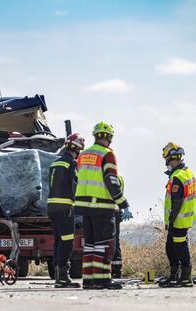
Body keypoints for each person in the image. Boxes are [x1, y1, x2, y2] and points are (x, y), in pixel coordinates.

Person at [74, 121, 130, 290]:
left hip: (84, 208)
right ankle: (103, 280)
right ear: (110, 138)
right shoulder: (107, 154)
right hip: (102, 207)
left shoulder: (83, 155)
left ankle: (89, 280)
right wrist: (123, 203)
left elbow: (79, 177)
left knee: (90, 245)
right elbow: (111, 181)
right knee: (104, 244)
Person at [47, 133, 85, 288]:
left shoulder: (55, 163)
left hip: (51, 207)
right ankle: (63, 277)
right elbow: (77, 185)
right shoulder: (72, 164)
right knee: (67, 242)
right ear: (77, 148)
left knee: (58, 242)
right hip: (65, 207)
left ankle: (58, 276)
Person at [159, 143, 196, 288]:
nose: (166, 163)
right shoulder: (187, 172)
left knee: (179, 248)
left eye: (166, 160)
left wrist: (171, 220)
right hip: (183, 218)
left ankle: (186, 278)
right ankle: (174, 277)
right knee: (171, 248)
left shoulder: (178, 176)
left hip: (178, 220)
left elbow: (177, 200)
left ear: (171, 159)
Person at [111, 175, 132, 279]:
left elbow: (115, 193)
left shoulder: (112, 176)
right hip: (115, 211)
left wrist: (124, 206)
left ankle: (115, 270)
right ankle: (116, 270)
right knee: (115, 241)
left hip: (112, 212)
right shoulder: (118, 175)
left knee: (112, 241)